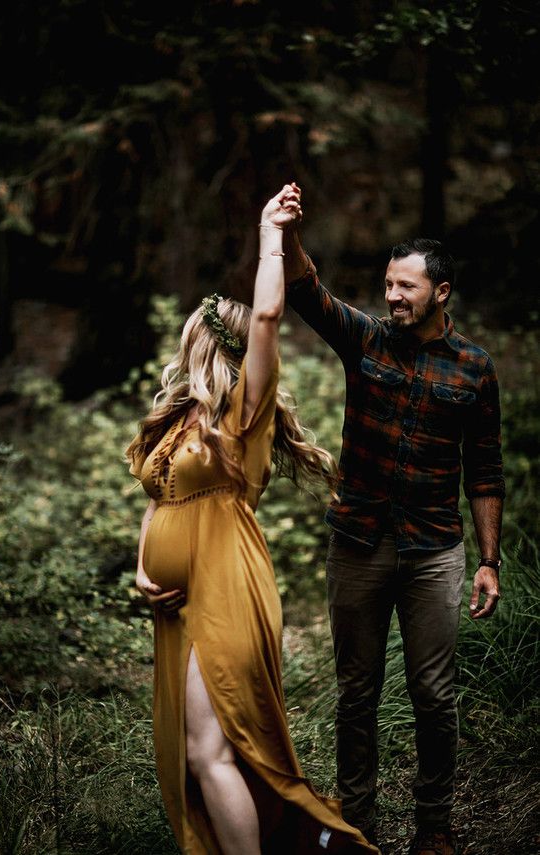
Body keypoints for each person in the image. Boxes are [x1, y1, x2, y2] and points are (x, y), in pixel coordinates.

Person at [125, 184, 379, 855]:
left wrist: (271, 235)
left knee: (213, 750)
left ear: (207, 341)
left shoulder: (245, 414)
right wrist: (142, 568)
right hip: (175, 607)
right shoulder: (177, 419)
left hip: (226, 589)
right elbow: (156, 501)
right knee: (193, 754)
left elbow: (267, 318)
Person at [281, 221, 504, 855]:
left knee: (434, 695)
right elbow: (307, 292)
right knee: (357, 692)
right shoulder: (366, 341)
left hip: (435, 550)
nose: (393, 296)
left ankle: (434, 827)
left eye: (406, 286)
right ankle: (358, 825)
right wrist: (290, 232)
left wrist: (489, 560)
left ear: (442, 293)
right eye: (388, 285)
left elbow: (485, 470)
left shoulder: (475, 370)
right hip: (358, 542)